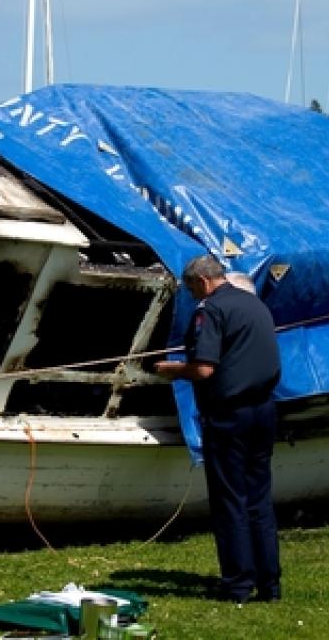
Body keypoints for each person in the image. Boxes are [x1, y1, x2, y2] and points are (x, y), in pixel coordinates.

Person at [154, 255, 281, 604]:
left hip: (229, 415)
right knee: (259, 498)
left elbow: (205, 369)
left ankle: (238, 583)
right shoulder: (255, 306)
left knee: (230, 500)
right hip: (264, 410)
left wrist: (172, 369)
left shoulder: (209, 310)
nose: (193, 295)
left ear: (203, 281)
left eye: (192, 287)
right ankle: (269, 584)